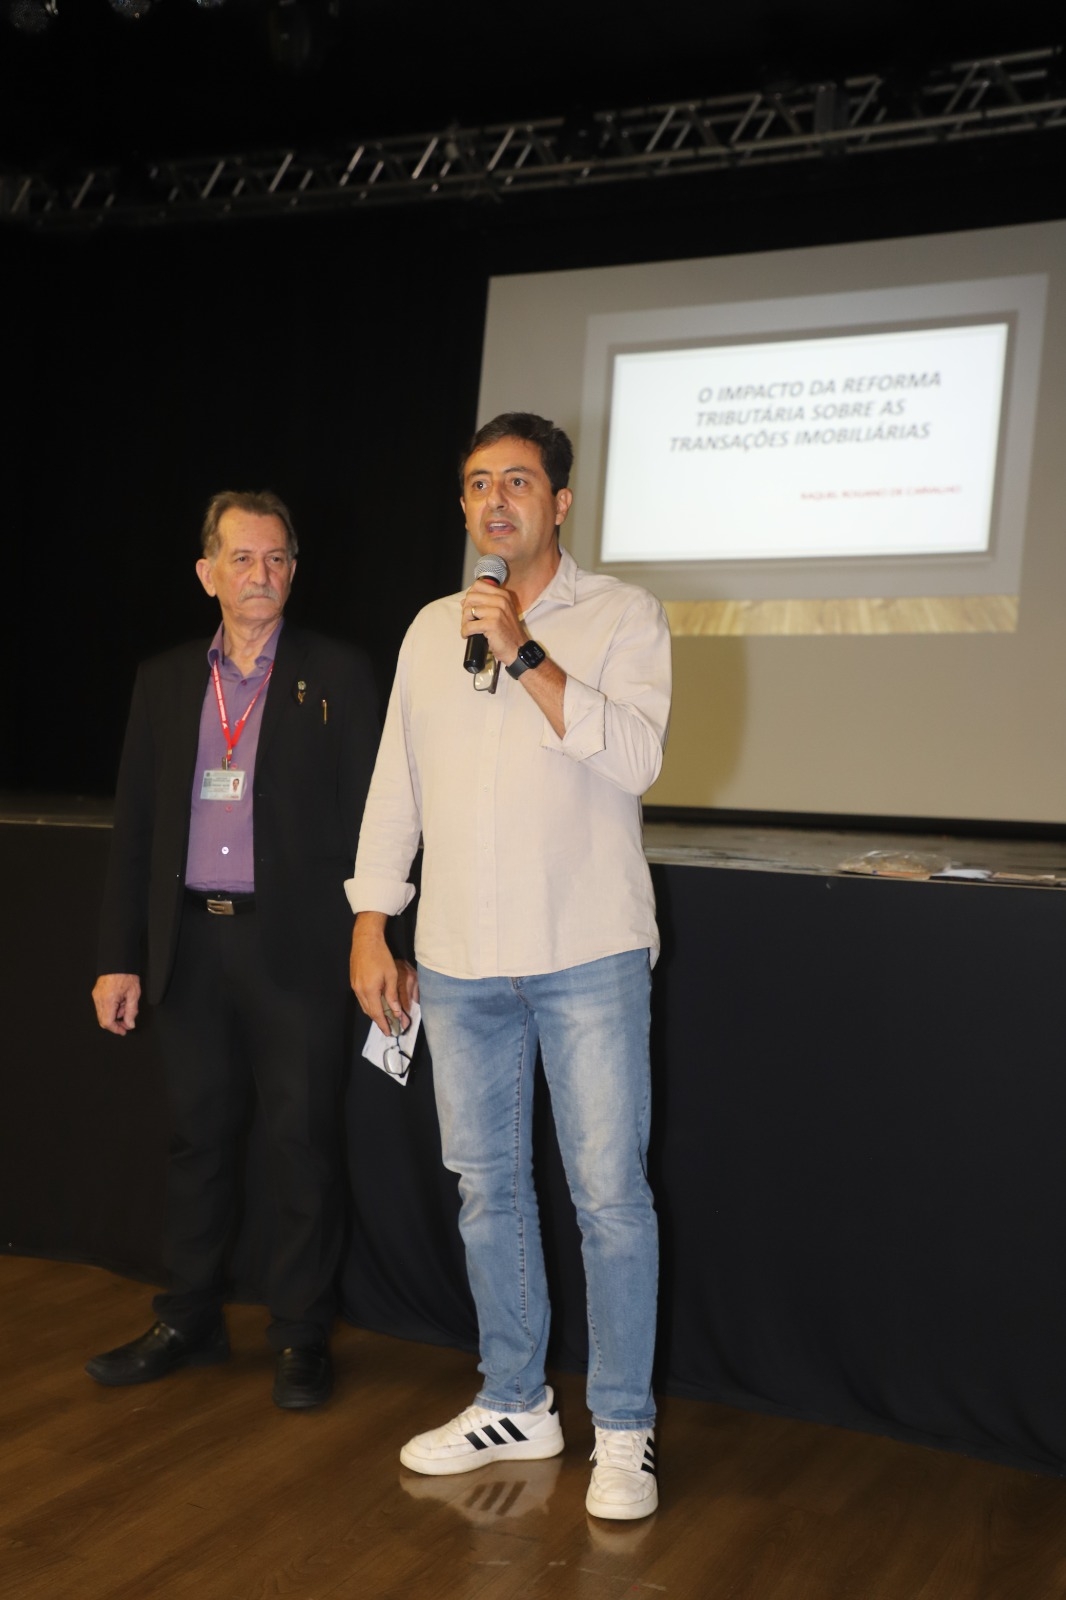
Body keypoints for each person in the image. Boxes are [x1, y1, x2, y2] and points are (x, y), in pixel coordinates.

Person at [348, 413, 671, 1519]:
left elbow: (637, 756)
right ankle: (516, 1401)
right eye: (479, 483)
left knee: (608, 1197)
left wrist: (526, 651)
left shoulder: (623, 615)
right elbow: (397, 785)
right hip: (459, 961)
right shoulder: (429, 630)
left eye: (519, 482)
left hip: (586, 950)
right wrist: (372, 918)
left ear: (560, 503)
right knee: (487, 1190)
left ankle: (622, 1429)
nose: (496, 500)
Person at [88, 489, 380, 1409]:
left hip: (297, 950)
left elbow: (379, 823)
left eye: (278, 558)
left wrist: (379, 936)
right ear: (206, 572)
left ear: (295, 570)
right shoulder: (166, 679)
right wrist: (119, 954)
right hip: (190, 946)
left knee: (302, 1144)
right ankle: (189, 1317)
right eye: (243, 558)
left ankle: (300, 1334)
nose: (262, 574)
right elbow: (135, 829)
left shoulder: (340, 674)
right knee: (198, 1139)